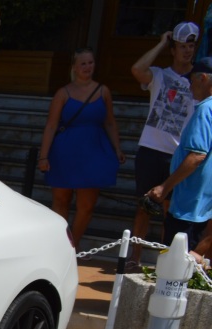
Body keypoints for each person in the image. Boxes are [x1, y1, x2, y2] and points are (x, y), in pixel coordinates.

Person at [38, 49, 125, 250]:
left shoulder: (103, 91)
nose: (87, 67)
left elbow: (110, 122)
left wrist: (117, 148)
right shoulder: (63, 93)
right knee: (61, 200)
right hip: (65, 150)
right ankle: (59, 244)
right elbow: (51, 125)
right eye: (83, 63)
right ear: (75, 67)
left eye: (91, 63)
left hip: (93, 150)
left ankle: (73, 246)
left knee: (86, 205)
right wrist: (43, 156)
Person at [131, 22, 199, 266]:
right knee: (144, 207)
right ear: (174, 48)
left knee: (170, 212)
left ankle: (165, 262)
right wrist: (161, 42)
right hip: (151, 149)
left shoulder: (199, 78)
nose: (187, 51)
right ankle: (134, 259)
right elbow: (138, 69)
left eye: (191, 46)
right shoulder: (160, 75)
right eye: (182, 46)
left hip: (178, 153)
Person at [146, 57, 212, 248]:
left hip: (190, 204)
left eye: (191, 82)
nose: (190, 88)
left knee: (177, 264)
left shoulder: (205, 110)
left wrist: (164, 187)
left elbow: (196, 156)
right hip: (201, 203)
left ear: (203, 78)